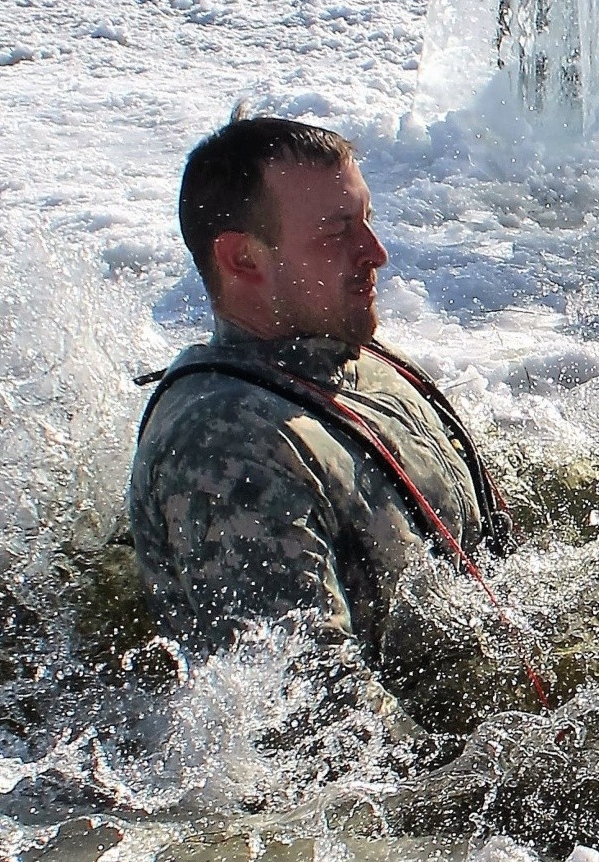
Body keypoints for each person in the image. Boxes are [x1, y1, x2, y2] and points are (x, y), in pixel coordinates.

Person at [127, 115, 532, 752]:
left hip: (495, 688)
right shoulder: (229, 447)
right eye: (336, 233)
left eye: (365, 221)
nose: (375, 252)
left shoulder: (347, 357)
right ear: (243, 259)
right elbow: (318, 728)